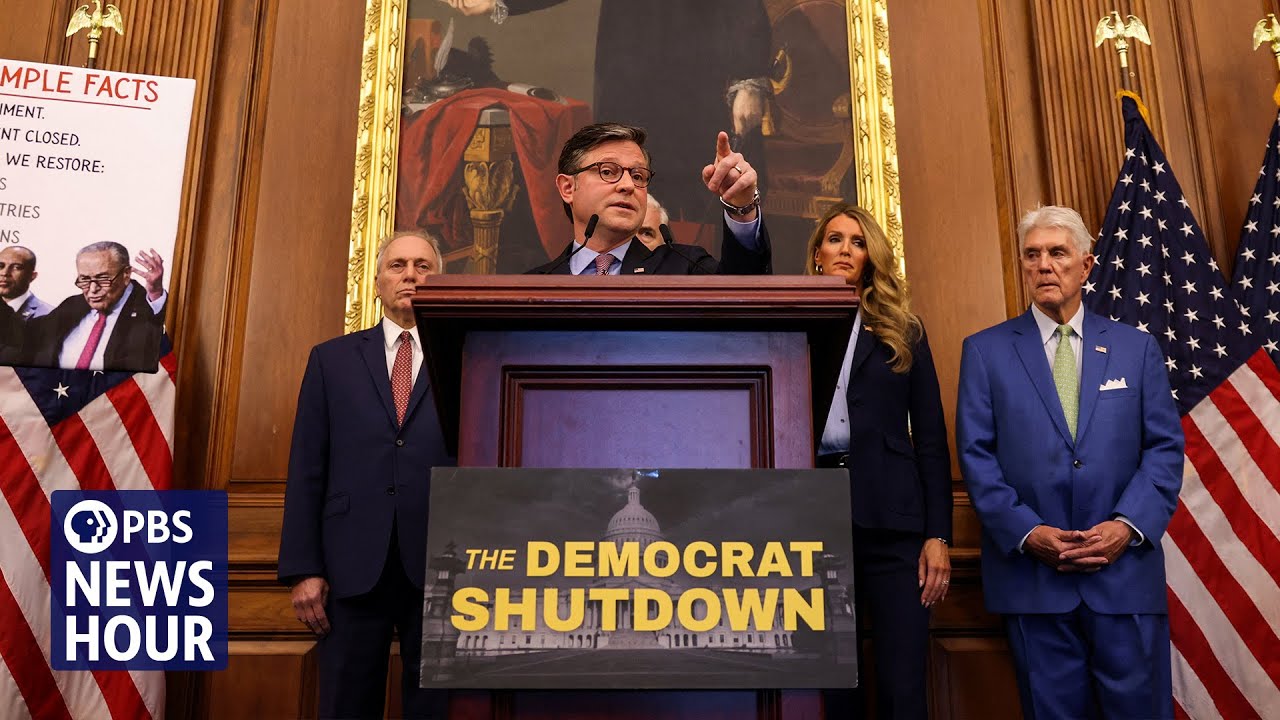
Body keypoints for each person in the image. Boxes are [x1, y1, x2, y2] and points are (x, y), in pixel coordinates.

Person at [956, 205, 1183, 720]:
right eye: (1032, 255)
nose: (1044, 265)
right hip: (1032, 581)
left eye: (1057, 253)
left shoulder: (1136, 349)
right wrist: (1027, 532)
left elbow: (1165, 449)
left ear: (1085, 264)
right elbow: (976, 457)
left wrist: (1126, 527)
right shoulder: (986, 352)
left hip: (1123, 577)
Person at [278, 230, 454, 719]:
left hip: (443, 564)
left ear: (439, 280)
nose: (411, 275)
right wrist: (303, 569)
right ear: (376, 282)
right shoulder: (331, 360)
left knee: (438, 709)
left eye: (423, 266)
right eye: (398, 265)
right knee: (346, 705)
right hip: (350, 566)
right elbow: (307, 466)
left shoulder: (463, 354)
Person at [436, 0, 772, 226]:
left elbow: (744, 7)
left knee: (702, 205)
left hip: (701, 79)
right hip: (628, 74)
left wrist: (749, 80)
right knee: (626, 189)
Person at [808, 203, 951, 720]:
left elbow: (931, 440)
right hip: (813, 519)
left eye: (858, 242)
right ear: (818, 254)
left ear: (871, 257)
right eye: (835, 239)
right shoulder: (795, 323)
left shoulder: (902, 329)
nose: (845, 250)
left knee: (902, 684)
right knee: (831, 683)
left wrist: (938, 535)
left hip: (893, 523)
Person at [526, 122, 771, 275]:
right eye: (608, 172)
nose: (627, 185)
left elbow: (748, 296)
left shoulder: (684, 268)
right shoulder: (532, 288)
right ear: (568, 188)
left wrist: (741, 206)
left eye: (638, 176)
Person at [26, 242, 167, 372]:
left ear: (126, 274)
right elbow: (32, 332)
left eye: (103, 278)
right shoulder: (72, 305)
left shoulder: (146, 308)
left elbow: (160, 323)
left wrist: (155, 292)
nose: (93, 289)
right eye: (85, 279)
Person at [0, 246, 52, 321]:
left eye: (16, 267)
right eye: (0, 266)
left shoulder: (49, 316)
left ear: (32, 276)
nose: (4, 273)